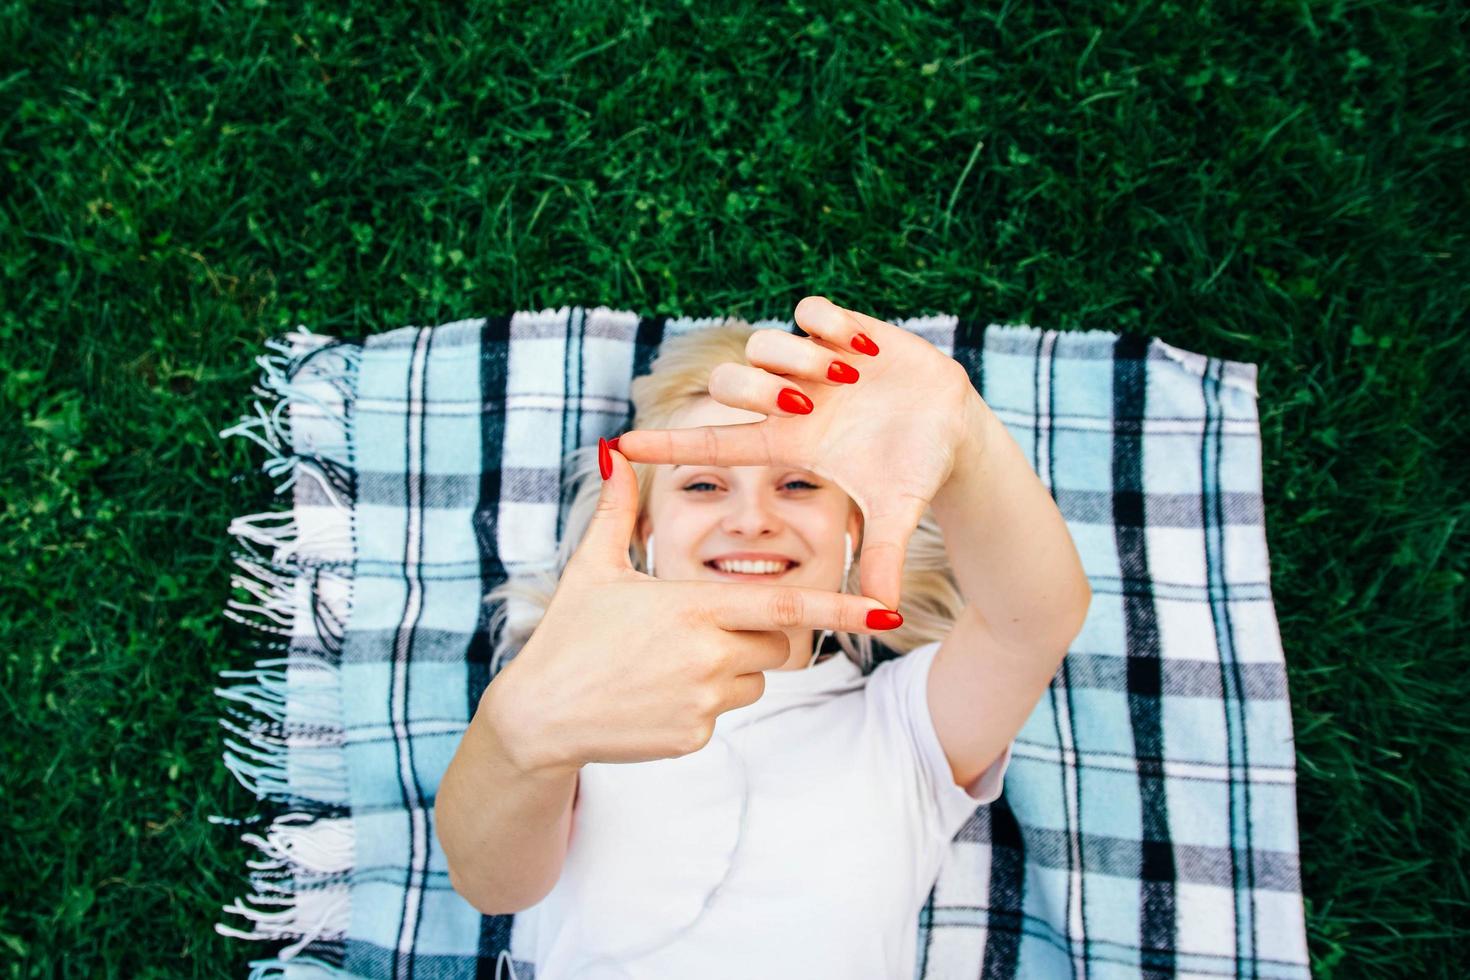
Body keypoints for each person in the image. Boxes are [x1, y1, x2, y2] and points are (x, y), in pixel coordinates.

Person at [436, 296, 1092, 979]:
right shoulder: (573, 703)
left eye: (800, 483)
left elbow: (1035, 620)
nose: (751, 520)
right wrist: (519, 730)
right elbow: (492, 885)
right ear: (643, 533)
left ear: (857, 533)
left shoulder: (904, 726)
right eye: (703, 485)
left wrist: (964, 435)